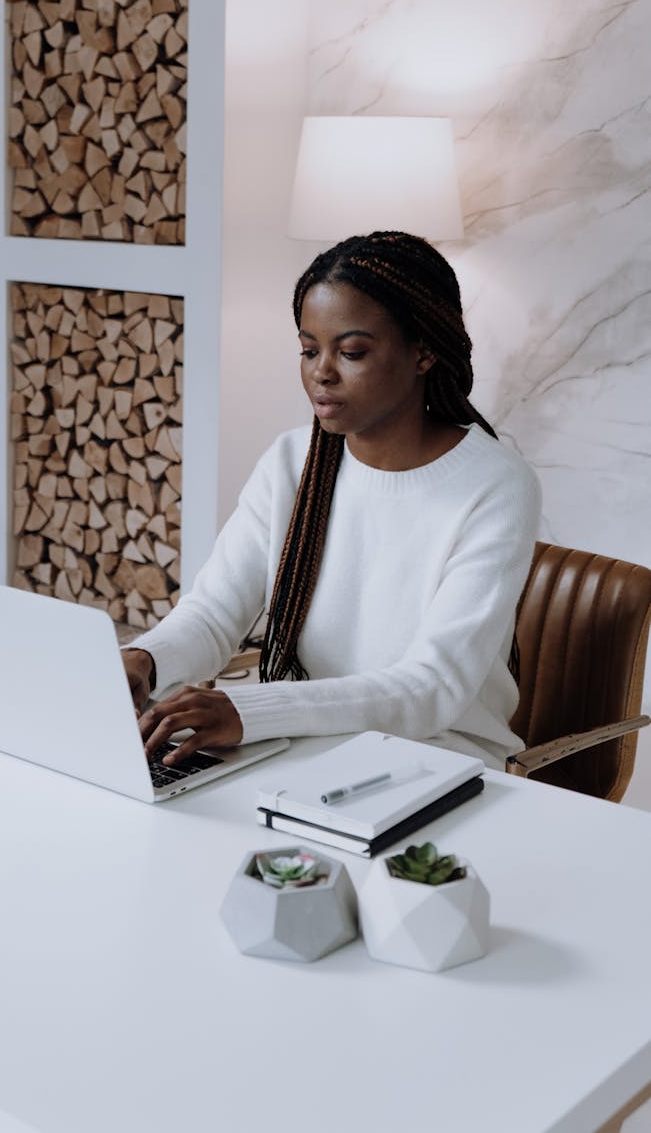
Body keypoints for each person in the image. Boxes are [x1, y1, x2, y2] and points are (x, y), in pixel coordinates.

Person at [123, 230, 541, 772]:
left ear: (423, 352)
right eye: (308, 350)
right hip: (301, 748)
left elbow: (432, 688)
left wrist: (251, 710)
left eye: (351, 352)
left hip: (439, 762)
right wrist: (145, 659)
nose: (321, 371)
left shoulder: (495, 484)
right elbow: (212, 615)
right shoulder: (291, 461)